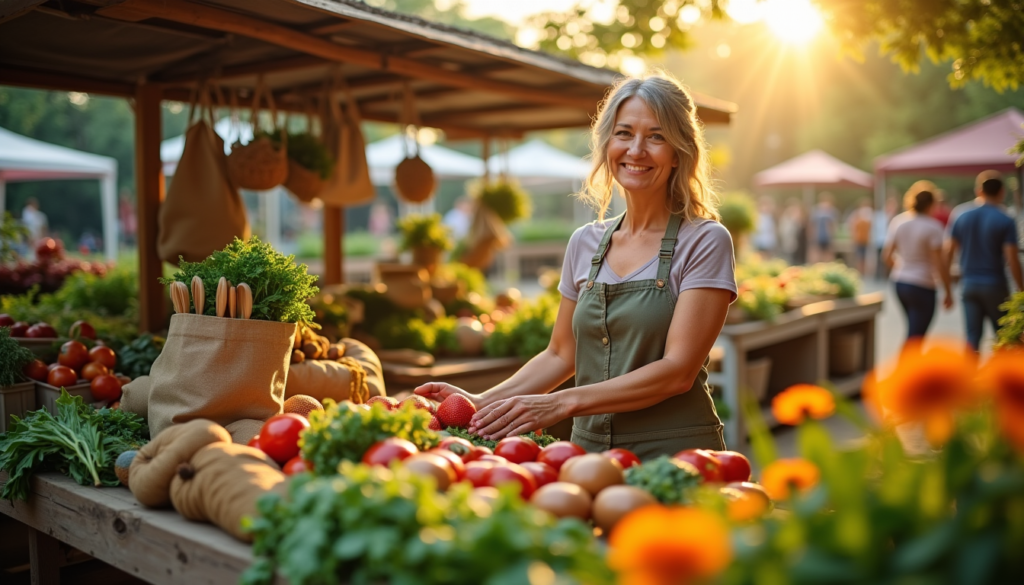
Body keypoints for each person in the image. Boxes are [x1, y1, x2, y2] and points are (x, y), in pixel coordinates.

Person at [415, 73, 737, 460]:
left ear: (679, 151)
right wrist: (482, 399)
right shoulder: (585, 242)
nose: (636, 150)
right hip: (587, 455)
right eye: (624, 133)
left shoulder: (704, 240)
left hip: (674, 453)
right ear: (606, 144)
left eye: (656, 136)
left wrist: (560, 404)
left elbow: (677, 371)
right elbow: (560, 354)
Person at [946, 171, 1023, 351]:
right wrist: (1022, 290)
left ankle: (968, 378)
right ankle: (1002, 378)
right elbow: (1012, 258)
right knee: (1004, 337)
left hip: (969, 285)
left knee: (972, 338)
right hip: (995, 285)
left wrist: (948, 287)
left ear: (978, 190)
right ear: (1002, 192)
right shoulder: (1005, 218)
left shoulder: (960, 214)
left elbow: (948, 251)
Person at [883, 185, 952, 343]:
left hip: (900, 282)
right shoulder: (933, 227)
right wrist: (948, 290)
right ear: (932, 204)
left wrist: (903, 270)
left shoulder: (899, 221)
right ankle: (905, 367)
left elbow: (886, 256)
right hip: (923, 285)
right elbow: (939, 263)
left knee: (913, 330)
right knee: (916, 337)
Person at [847, 197, 873, 275]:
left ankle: (863, 272)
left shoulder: (868, 214)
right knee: (860, 257)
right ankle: (860, 272)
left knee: (863, 257)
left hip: (865, 239)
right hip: (859, 239)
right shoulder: (857, 214)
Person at [810, 192, 837, 262]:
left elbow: (813, 225)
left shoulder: (816, 210)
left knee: (820, 253)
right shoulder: (830, 210)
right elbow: (832, 225)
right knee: (825, 254)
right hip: (824, 236)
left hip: (819, 236)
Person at [779, 198, 807, 265]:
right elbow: (784, 232)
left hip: (798, 246)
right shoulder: (787, 220)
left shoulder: (799, 220)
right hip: (790, 244)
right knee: (790, 261)